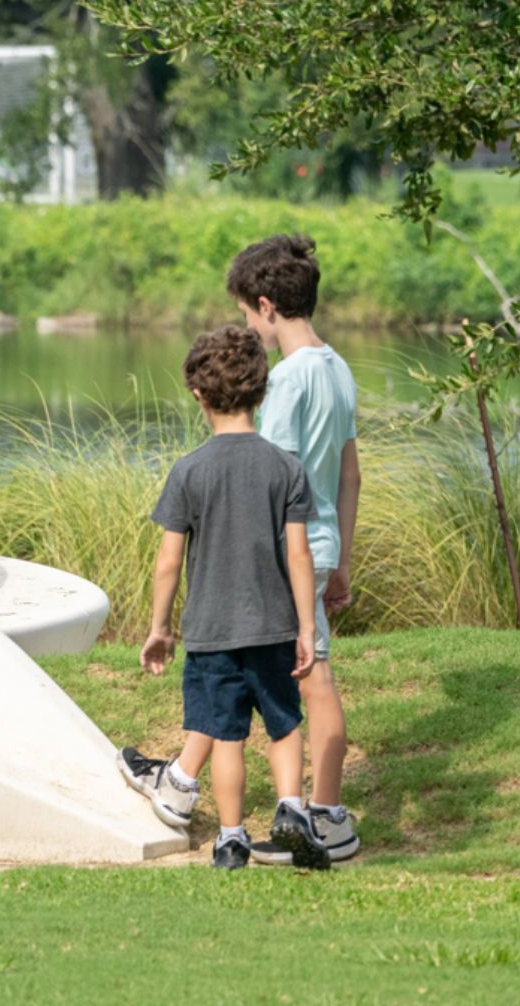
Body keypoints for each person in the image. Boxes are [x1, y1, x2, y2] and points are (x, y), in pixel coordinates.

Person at [118, 326, 331, 870]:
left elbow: (168, 562)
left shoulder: (189, 470)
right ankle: (290, 809)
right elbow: (300, 556)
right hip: (276, 626)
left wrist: (159, 628)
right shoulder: (286, 467)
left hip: (211, 633)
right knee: (284, 725)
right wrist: (307, 629)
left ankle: (232, 836)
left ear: (197, 394)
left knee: (225, 733)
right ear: (261, 392)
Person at [227, 233, 361, 864]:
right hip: (325, 540)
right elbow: (349, 473)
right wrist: (345, 559)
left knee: (311, 679)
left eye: (246, 315)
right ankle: (320, 812)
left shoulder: (286, 380)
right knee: (314, 674)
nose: (247, 325)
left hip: (291, 547)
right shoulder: (337, 367)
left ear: (266, 306)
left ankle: (325, 818)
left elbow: (267, 472)